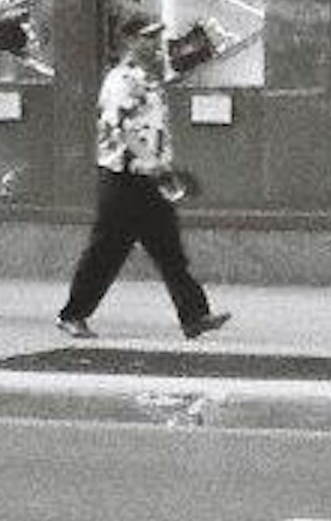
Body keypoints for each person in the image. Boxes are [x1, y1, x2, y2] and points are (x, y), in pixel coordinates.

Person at [57, 17, 226, 340]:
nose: (154, 43)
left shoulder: (150, 79)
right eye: (147, 37)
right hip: (123, 179)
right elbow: (121, 127)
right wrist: (151, 162)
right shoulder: (121, 80)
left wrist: (163, 167)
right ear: (129, 41)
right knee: (105, 252)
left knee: (170, 250)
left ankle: (194, 316)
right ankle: (73, 314)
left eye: (157, 36)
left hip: (150, 180)